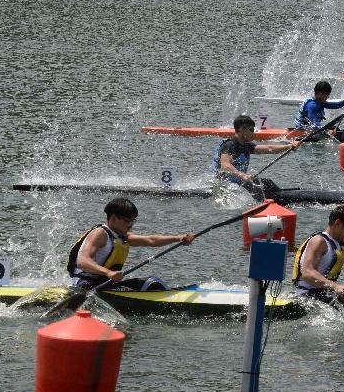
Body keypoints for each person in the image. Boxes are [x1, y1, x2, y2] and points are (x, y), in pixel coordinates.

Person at [67, 198, 195, 292]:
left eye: (133, 221)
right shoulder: (100, 234)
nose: (130, 225)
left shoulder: (123, 236)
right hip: (86, 284)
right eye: (127, 221)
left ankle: (169, 292)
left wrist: (178, 238)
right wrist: (108, 273)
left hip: (104, 283)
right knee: (151, 284)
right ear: (113, 219)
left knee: (153, 282)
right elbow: (82, 261)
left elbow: (151, 240)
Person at [214, 115, 300, 200]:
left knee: (267, 183)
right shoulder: (229, 145)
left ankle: (283, 198)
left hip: (240, 183)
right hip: (225, 186)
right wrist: (243, 175)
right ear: (241, 129)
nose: (253, 133)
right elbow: (225, 165)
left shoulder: (246, 145)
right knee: (258, 189)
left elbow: (270, 149)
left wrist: (289, 146)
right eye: (251, 130)